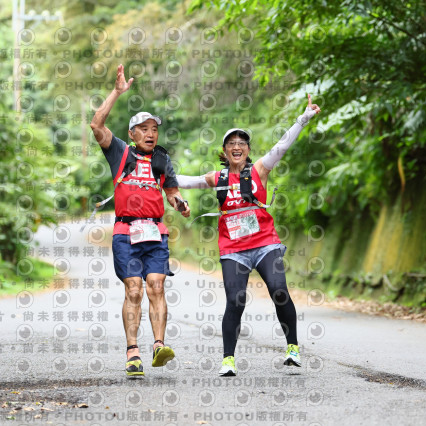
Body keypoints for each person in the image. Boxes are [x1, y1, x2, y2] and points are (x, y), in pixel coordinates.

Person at [176, 95, 320, 376]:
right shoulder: (217, 178)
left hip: (265, 243)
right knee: (235, 301)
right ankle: (228, 360)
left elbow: (282, 146)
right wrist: (156, 173)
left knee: (279, 290)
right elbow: (184, 181)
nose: (237, 146)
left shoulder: (260, 170)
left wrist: (303, 119)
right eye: (231, 143)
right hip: (233, 249)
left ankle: (292, 347)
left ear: (248, 149)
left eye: (242, 143)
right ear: (224, 151)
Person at [90, 64, 190, 376]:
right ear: (132, 134)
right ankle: (133, 352)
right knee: (134, 289)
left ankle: (159, 346)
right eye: (144, 129)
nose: (150, 134)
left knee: (156, 286)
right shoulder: (120, 152)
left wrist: (180, 203)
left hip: (155, 233)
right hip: (126, 232)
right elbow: (96, 124)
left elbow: (171, 193)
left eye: (154, 129)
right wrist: (117, 92)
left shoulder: (162, 159)